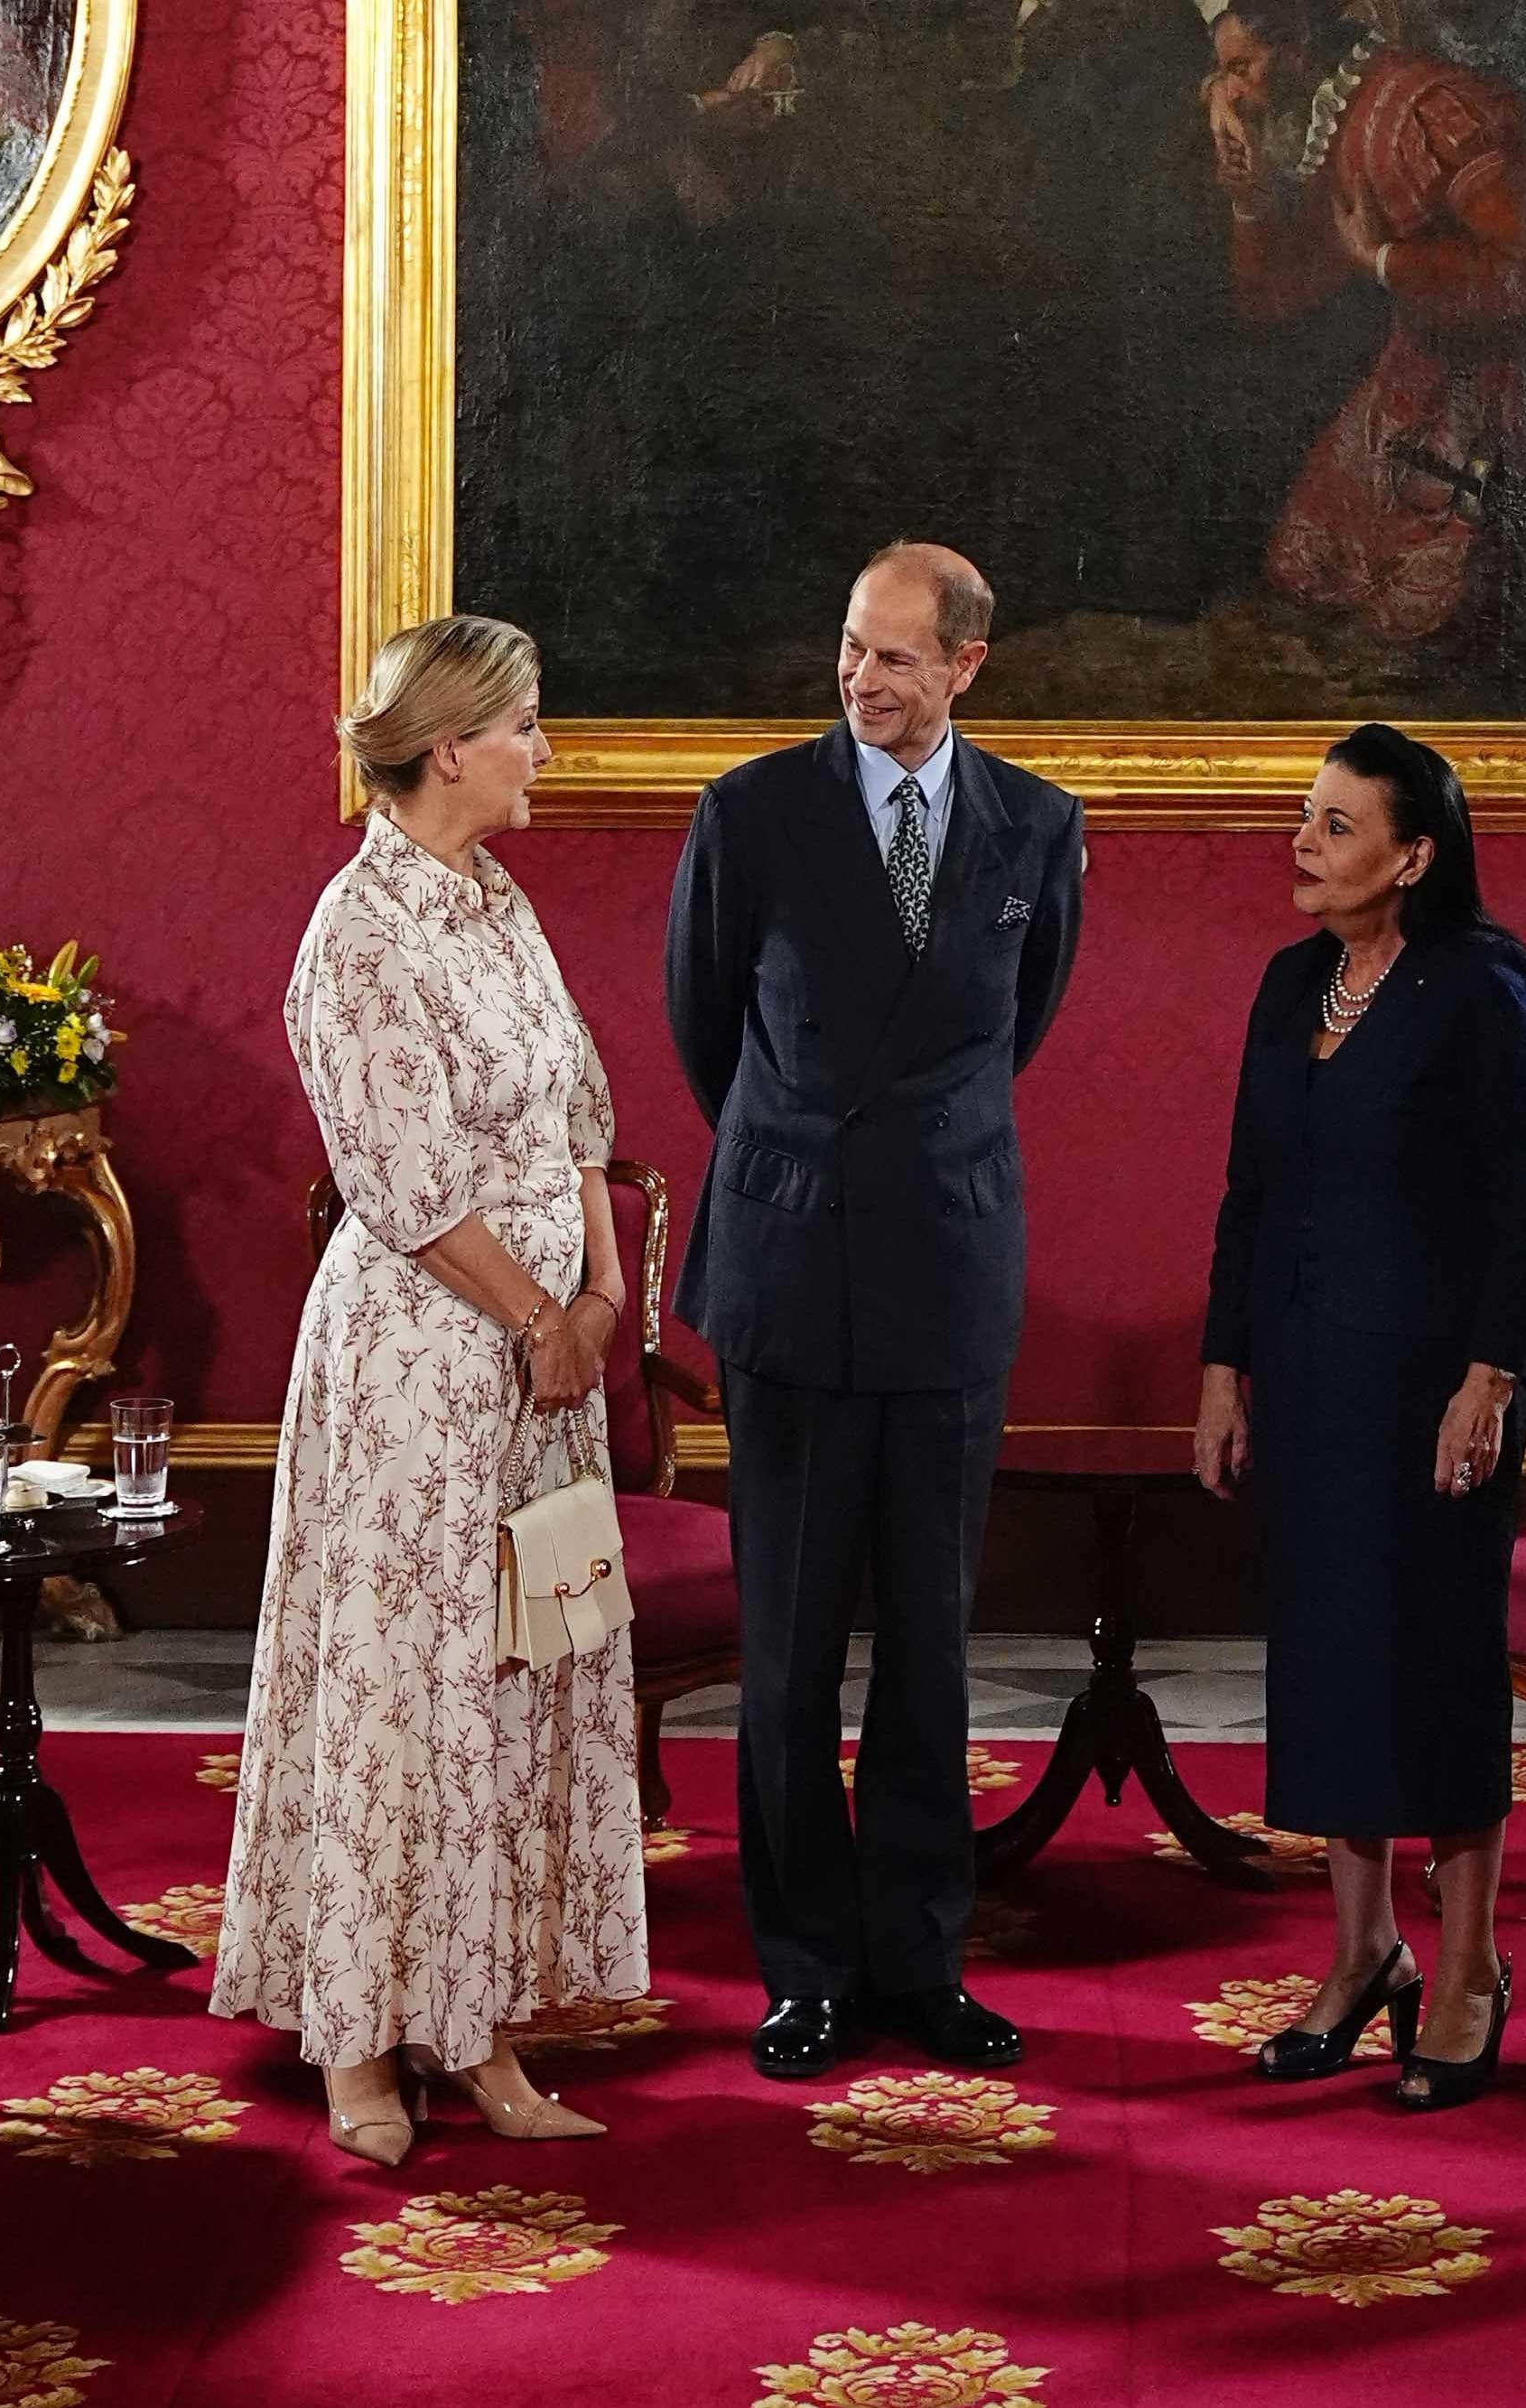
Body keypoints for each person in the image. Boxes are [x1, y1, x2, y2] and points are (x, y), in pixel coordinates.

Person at [211, 617, 647, 2170]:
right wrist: (541, 1313)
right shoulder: (359, 931)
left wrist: (599, 1303)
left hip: (550, 1372)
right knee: (410, 1696)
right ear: (450, 747)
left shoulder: (498, 899)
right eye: (526, 724)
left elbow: (582, 1116)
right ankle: (356, 2039)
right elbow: (401, 1180)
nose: (546, 748)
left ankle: (484, 2020)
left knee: (528, 1683)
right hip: (422, 1371)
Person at [663, 542, 1089, 2080]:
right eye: (852, 648)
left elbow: (1013, 1030)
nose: (863, 679)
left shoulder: (1039, 828)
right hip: (788, 1269)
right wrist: (801, 1172)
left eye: (899, 658)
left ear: (968, 666)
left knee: (930, 1647)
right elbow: (707, 1031)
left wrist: (907, 1170)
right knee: (785, 1652)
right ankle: (806, 1971)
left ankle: (922, 1962)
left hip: (947, 1275)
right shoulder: (752, 813)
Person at [1193, 722, 1526, 2109]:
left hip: (1436, 1390)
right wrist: (1223, 1368)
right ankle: (1363, 1954)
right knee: (1333, 1663)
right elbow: (1248, 1190)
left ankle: (1466, 1970)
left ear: (1414, 855)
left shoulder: (1486, 986)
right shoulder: (1292, 980)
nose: (1305, 840)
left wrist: (1493, 1377)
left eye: (1338, 825)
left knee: (1437, 1665)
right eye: (1308, 815)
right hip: (1307, 1379)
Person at [1203, 0, 1526, 651]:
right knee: (1305, 573)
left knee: (1422, 618)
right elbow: (1272, 296)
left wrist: (1385, 259)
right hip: (1416, 378)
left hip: (1509, 392)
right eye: (1224, 76)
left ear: (1299, 48)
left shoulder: (1422, 109)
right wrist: (1248, 199)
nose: (1235, 94)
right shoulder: (1341, 124)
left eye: (1243, 68)